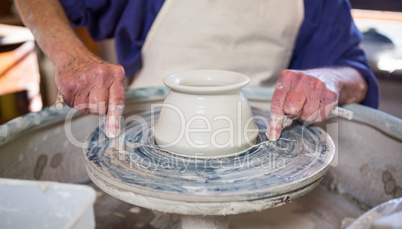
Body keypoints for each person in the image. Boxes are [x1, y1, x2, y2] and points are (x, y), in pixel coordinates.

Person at [14, 0, 379, 140]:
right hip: (151, 126)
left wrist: (330, 80)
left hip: (257, 133)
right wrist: (71, 58)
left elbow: (354, 71)